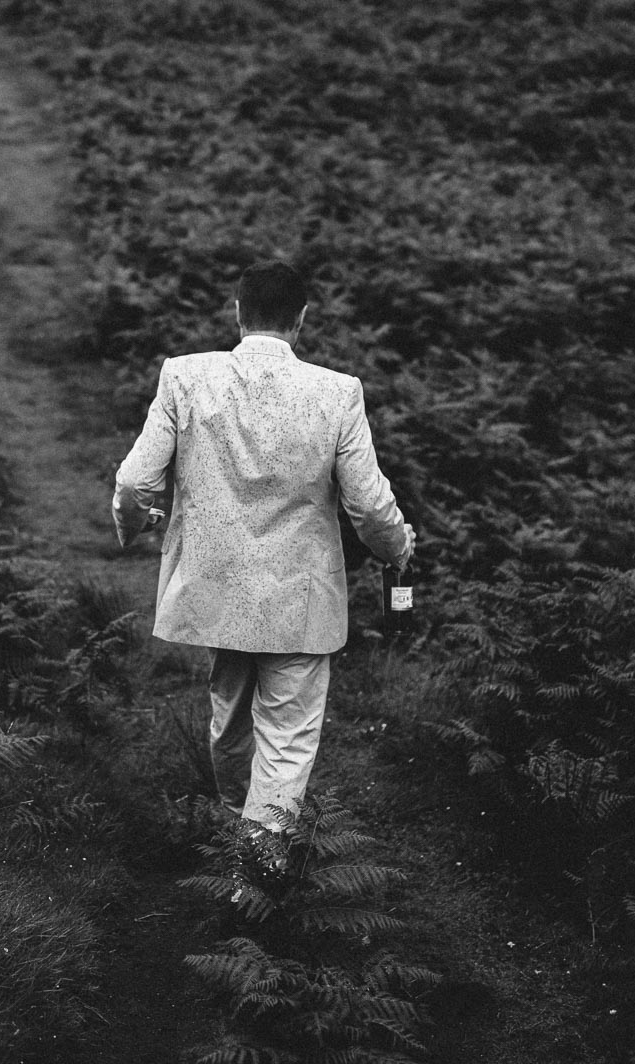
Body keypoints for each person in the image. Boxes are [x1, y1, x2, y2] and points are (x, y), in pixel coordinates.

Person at [112, 260, 414, 860]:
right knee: (287, 736)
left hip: (215, 586)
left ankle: (237, 833)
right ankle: (258, 868)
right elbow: (368, 506)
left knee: (230, 718)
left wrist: (136, 524)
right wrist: (399, 547)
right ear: (302, 319)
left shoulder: (184, 377)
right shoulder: (337, 393)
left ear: (237, 312)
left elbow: (134, 481)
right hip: (300, 596)